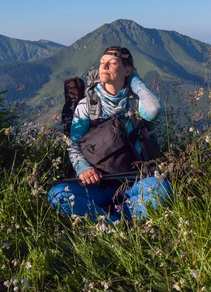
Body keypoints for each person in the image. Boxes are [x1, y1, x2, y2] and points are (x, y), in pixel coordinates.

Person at [48, 46, 172, 223]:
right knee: (57, 195)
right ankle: (122, 223)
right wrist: (83, 168)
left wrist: (135, 80)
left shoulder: (136, 102)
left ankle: (107, 221)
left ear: (127, 70)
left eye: (112, 63)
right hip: (100, 184)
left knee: (162, 189)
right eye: (101, 63)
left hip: (136, 181)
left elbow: (153, 110)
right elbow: (73, 143)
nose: (104, 67)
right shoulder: (88, 105)